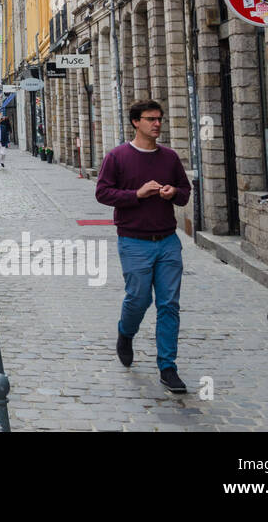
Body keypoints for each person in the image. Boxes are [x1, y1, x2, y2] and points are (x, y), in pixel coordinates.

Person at [94, 100, 192, 395]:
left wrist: (173, 192)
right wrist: (137, 194)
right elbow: (102, 192)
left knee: (169, 304)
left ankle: (167, 366)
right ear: (136, 122)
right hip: (134, 241)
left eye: (160, 119)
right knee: (138, 299)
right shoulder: (117, 157)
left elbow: (185, 194)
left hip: (167, 242)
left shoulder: (170, 158)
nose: (157, 124)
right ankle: (126, 333)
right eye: (151, 119)